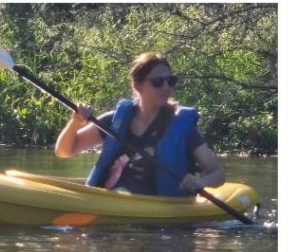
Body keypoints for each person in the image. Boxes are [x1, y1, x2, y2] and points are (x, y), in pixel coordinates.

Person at [54, 52, 225, 195]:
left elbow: (217, 174)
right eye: (158, 82)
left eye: (170, 81)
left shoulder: (182, 128)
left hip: (157, 213)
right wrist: (75, 122)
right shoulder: (115, 120)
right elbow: (64, 151)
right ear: (138, 86)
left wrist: (200, 181)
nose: (166, 87)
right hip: (112, 200)